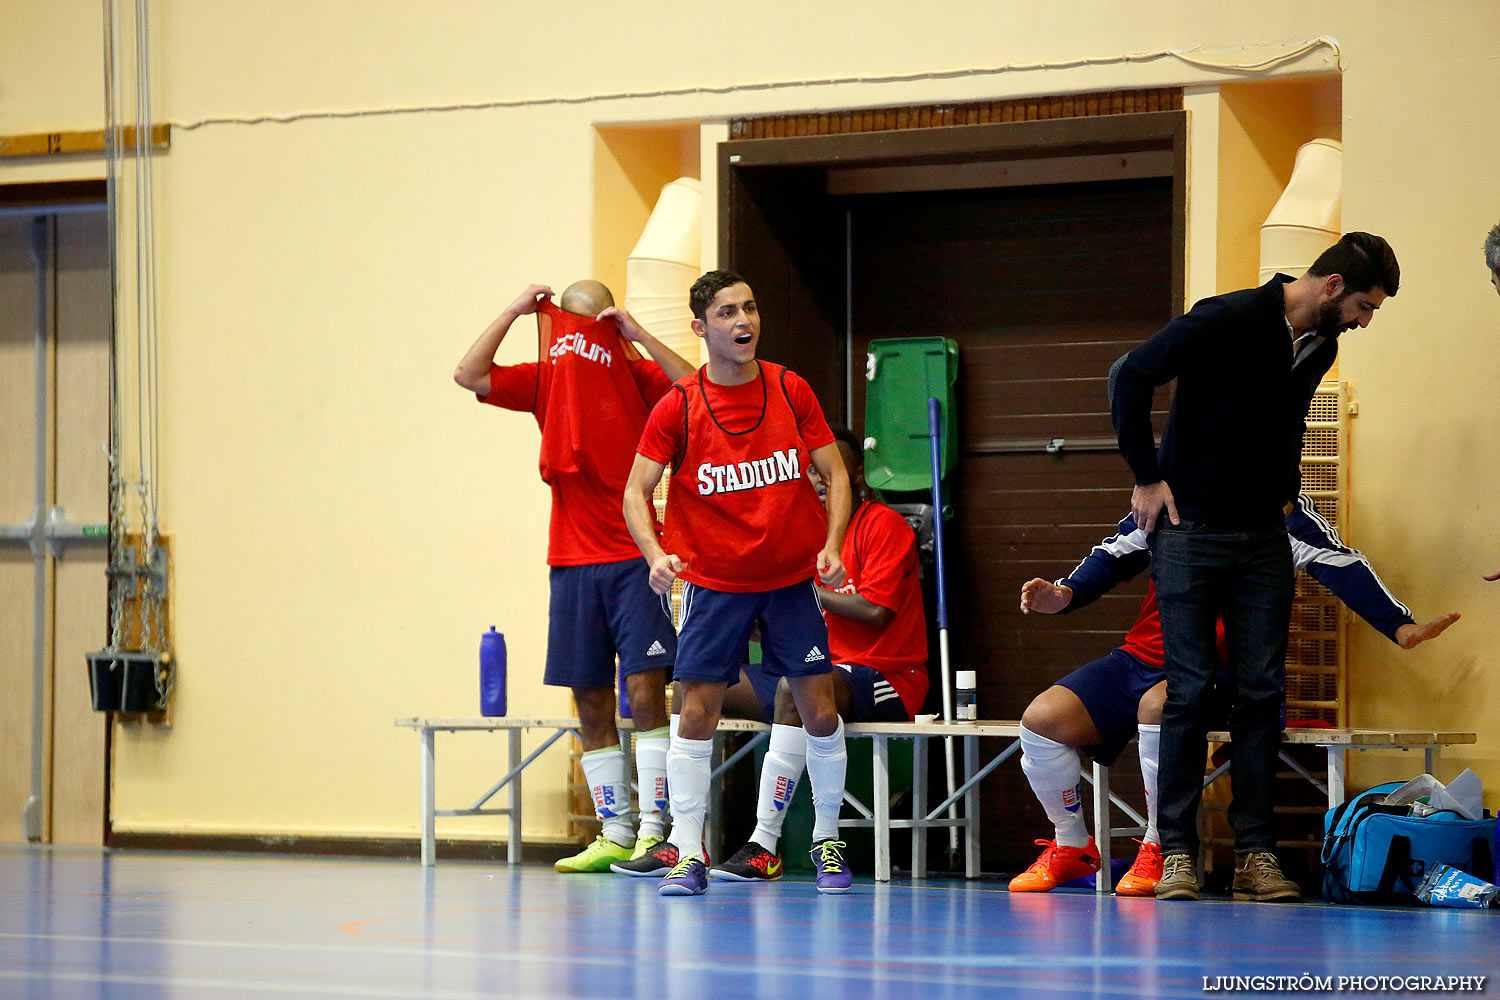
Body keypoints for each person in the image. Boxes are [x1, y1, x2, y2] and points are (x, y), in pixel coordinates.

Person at [1111, 232, 1400, 902]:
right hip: (1189, 532)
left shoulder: (1320, 344)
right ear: (1331, 287)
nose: (1364, 320)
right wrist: (1145, 477)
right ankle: (1179, 852)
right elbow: (1130, 373)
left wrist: (1289, 488)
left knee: (1262, 693)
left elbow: (1287, 421)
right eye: (1364, 305)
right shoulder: (1227, 317)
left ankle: (1255, 856)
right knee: (1187, 692)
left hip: (1262, 537)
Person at [1011, 496, 1460, 895]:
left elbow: (1344, 565)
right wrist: (1063, 595)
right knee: (1043, 718)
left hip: (1225, 672)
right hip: (1141, 656)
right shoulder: (1171, 496)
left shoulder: (1282, 513)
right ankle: (1072, 844)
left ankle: (1159, 846)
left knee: (1158, 705)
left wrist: (1398, 624)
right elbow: (1114, 552)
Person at [622, 269, 854, 895]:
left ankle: (828, 841)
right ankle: (687, 851)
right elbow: (636, 491)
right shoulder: (680, 406)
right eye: (726, 313)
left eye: (749, 309)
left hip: (787, 580)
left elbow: (834, 470)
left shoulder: (789, 388)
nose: (743, 322)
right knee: (694, 711)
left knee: (819, 707)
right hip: (715, 582)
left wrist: (832, 544)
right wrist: (654, 553)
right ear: (701, 328)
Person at [453, 280, 694, 873]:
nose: (574, 350)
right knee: (587, 696)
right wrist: (513, 310)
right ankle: (614, 830)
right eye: (568, 332)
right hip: (569, 560)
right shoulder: (548, 380)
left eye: (589, 333)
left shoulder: (636, 377)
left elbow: (693, 385)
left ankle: (656, 831)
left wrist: (635, 335)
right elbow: (468, 374)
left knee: (643, 694)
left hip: (637, 556)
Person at [705, 426, 930, 882]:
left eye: (832, 468)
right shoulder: (795, 535)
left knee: (796, 689)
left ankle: (765, 843)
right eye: (810, 468)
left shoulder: (881, 525)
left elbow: (875, 611)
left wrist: (804, 588)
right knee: (702, 686)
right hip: (812, 667)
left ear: (857, 475)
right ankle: (682, 840)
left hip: (886, 674)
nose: (821, 477)